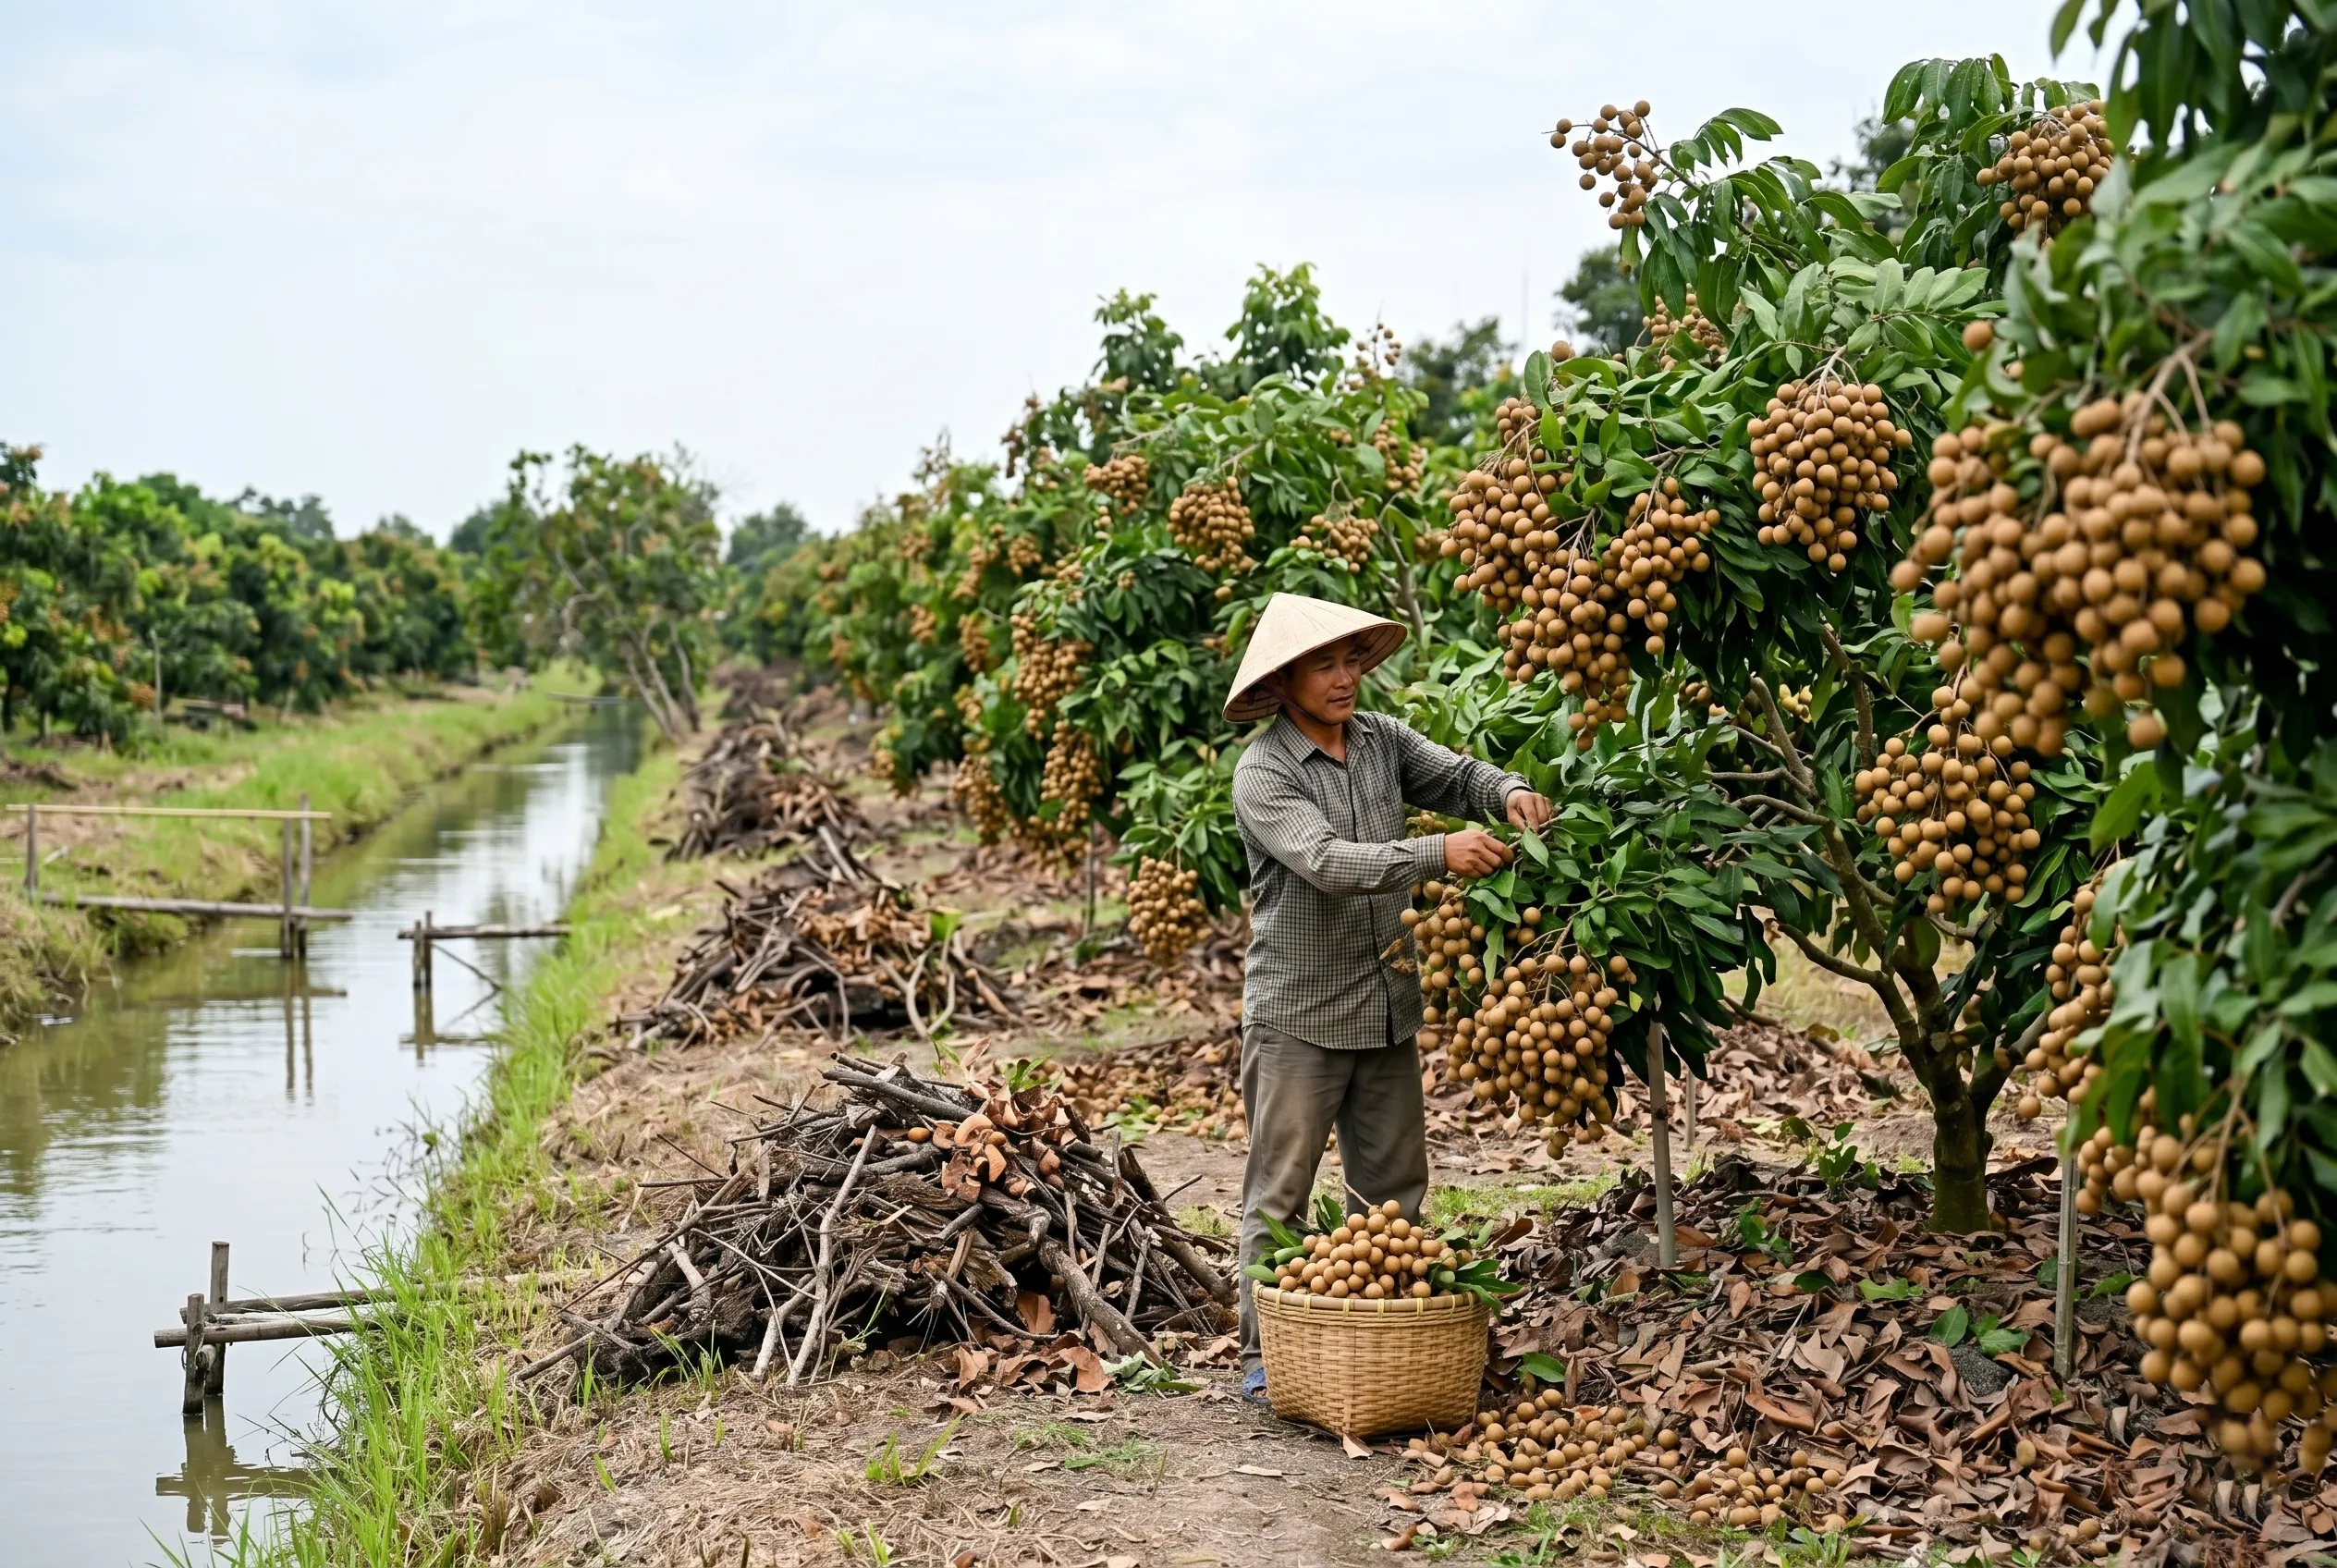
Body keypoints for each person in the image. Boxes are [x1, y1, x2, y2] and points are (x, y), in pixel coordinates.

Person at [1222, 593, 1550, 1403]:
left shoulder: (1380, 740)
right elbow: (1329, 862)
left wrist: (1505, 793)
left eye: (1351, 662)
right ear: (1283, 682)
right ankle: (1265, 1360)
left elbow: (1458, 774)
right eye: (1324, 665)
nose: (1344, 679)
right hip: (1299, 1014)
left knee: (1394, 1190)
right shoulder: (1262, 773)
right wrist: (1439, 851)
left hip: (1386, 1005)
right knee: (1280, 1194)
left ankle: (1385, 1346)